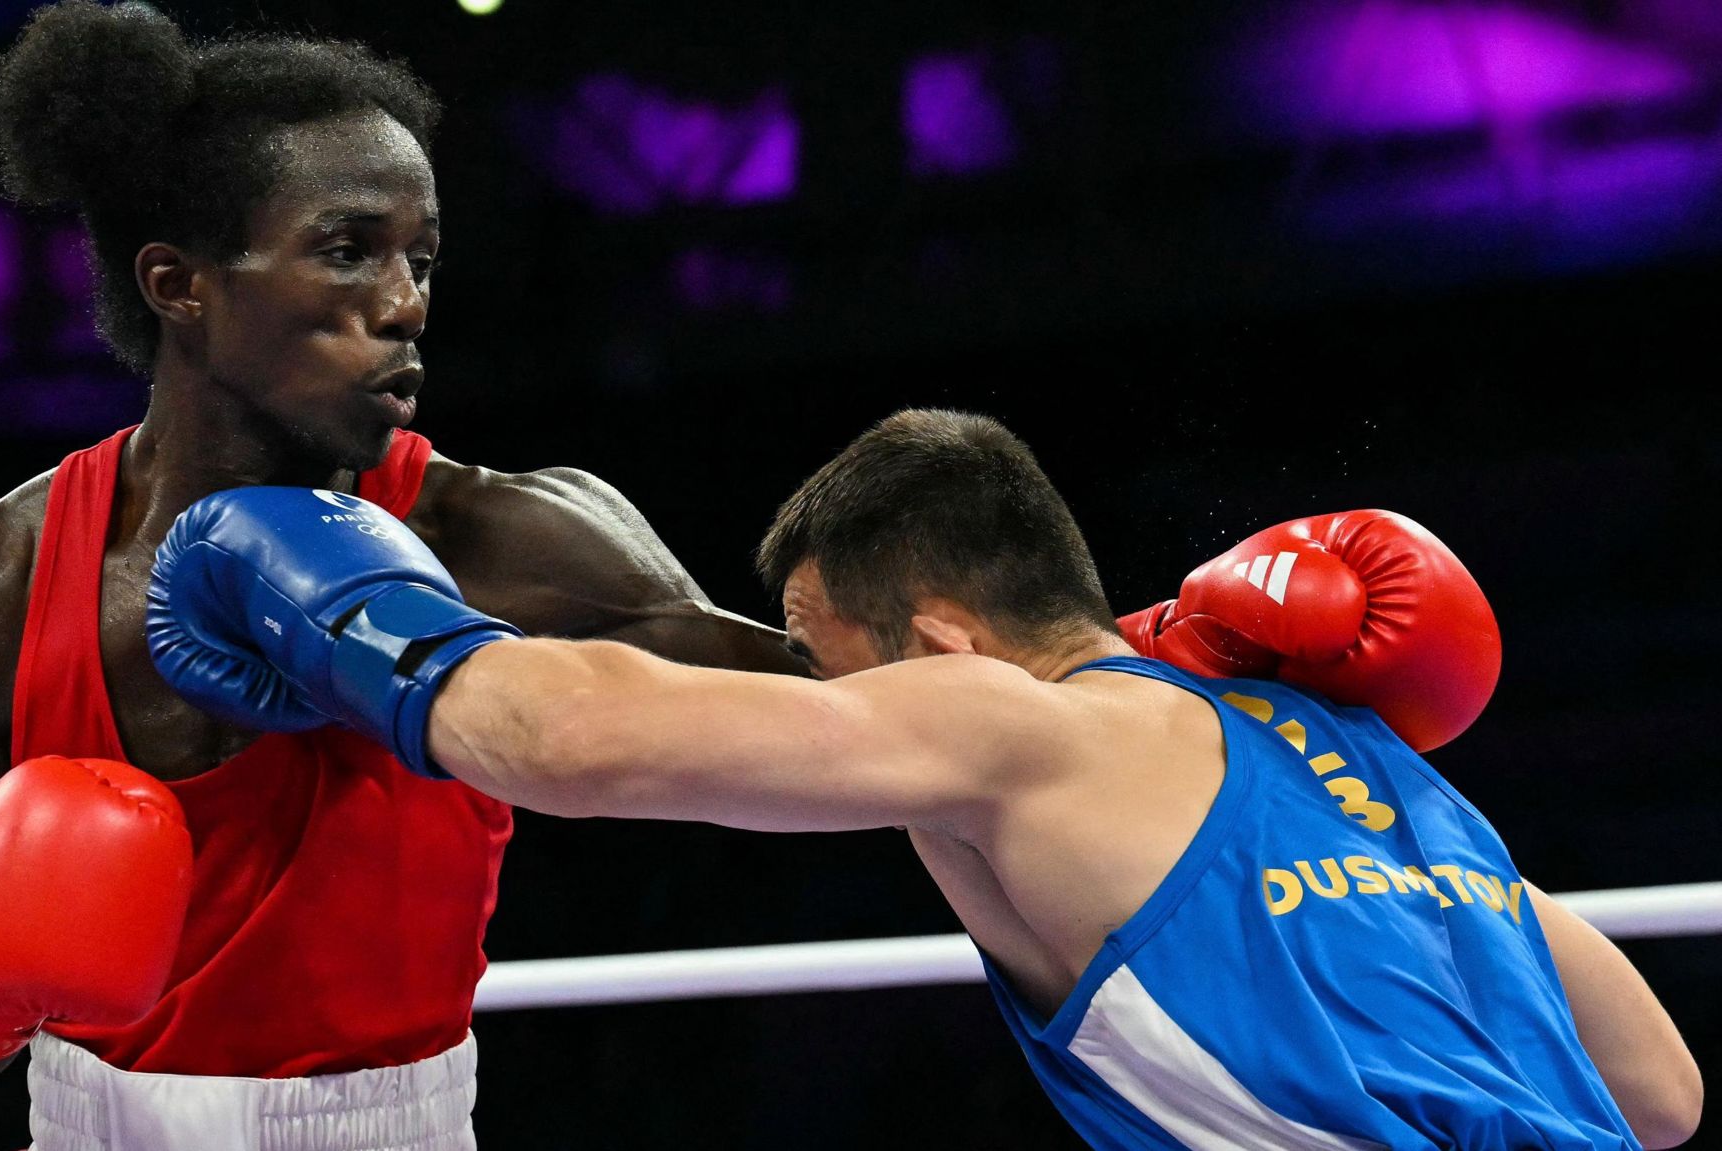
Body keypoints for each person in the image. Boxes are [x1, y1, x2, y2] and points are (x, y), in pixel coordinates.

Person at [153, 409, 1703, 1149]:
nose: (844, 719)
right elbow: (1658, 1088)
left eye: (838, 669)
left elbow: (577, 736)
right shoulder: (1375, 771)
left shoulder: (1007, 722)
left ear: (947, 639)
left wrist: (357, 611)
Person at [0, 2, 802, 1144]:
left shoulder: (497, 534)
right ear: (177, 283)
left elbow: (806, 709)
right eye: (347, 249)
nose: (403, 303)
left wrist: (1044, 668)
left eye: (422, 257)